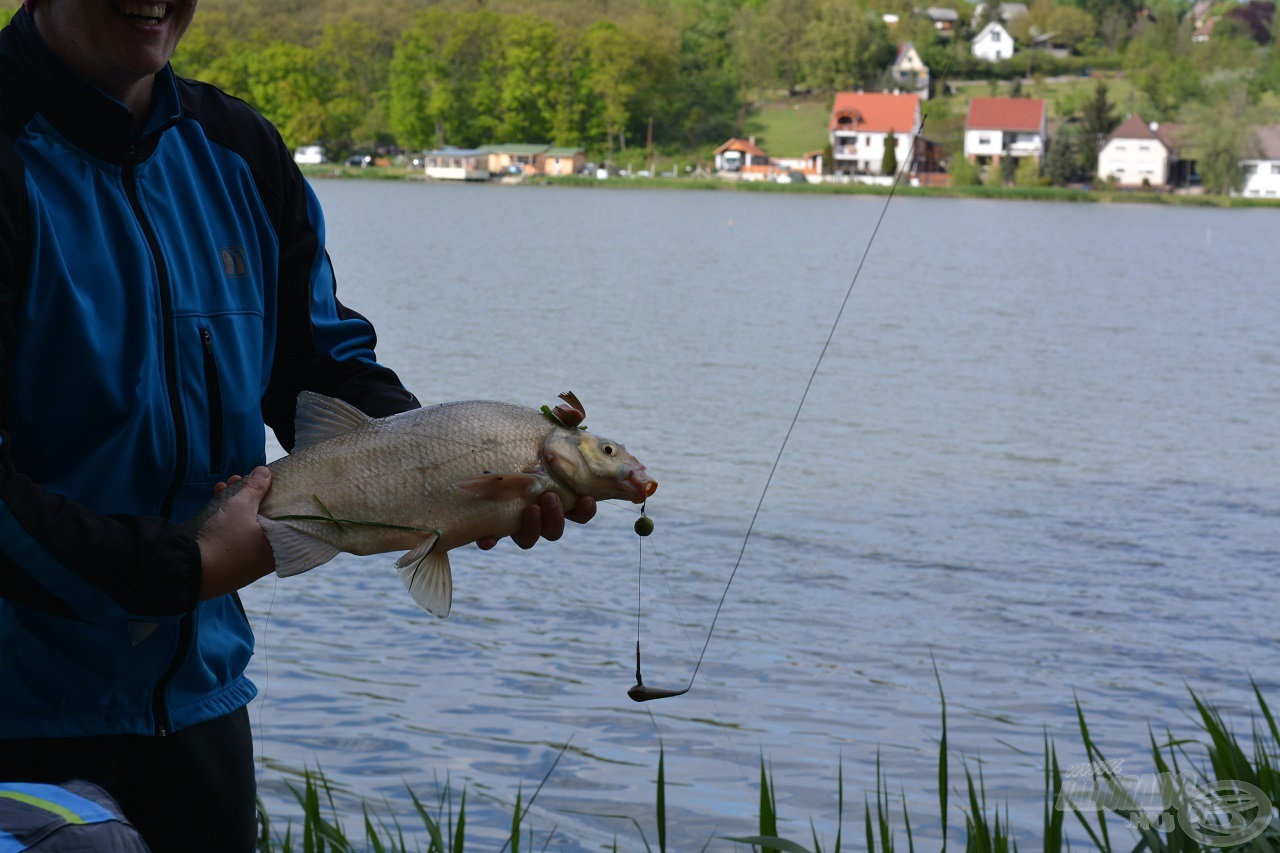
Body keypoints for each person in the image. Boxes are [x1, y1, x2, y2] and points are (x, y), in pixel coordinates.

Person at [0, 1, 594, 850]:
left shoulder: (238, 148)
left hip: (202, 701)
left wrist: (444, 470)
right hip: (19, 709)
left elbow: (320, 366)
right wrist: (184, 567)